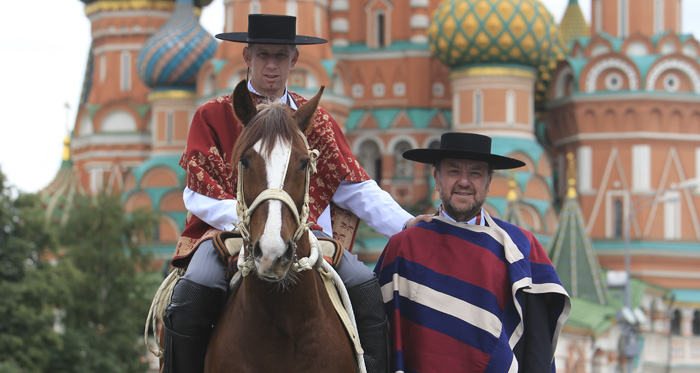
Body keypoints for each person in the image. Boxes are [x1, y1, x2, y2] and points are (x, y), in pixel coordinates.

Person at [162, 14, 428, 373]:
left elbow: (357, 188)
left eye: (281, 56)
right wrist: (255, 222)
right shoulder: (213, 115)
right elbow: (197, 192)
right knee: (195, 291)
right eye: (263, 55)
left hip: (305, 233)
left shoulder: (315, 120)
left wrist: (412, 228)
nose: (272, 65)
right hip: (226, 234)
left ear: (294, 60)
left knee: (364, 286)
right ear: (247, 57)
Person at [374, 132, 571, 372]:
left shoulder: (519, 249)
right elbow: (378, 337)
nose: (464, 181)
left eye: (475, 173)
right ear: (437, 178)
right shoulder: (404, 247)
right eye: (454, 171)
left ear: (488, 182)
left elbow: (536, 348)